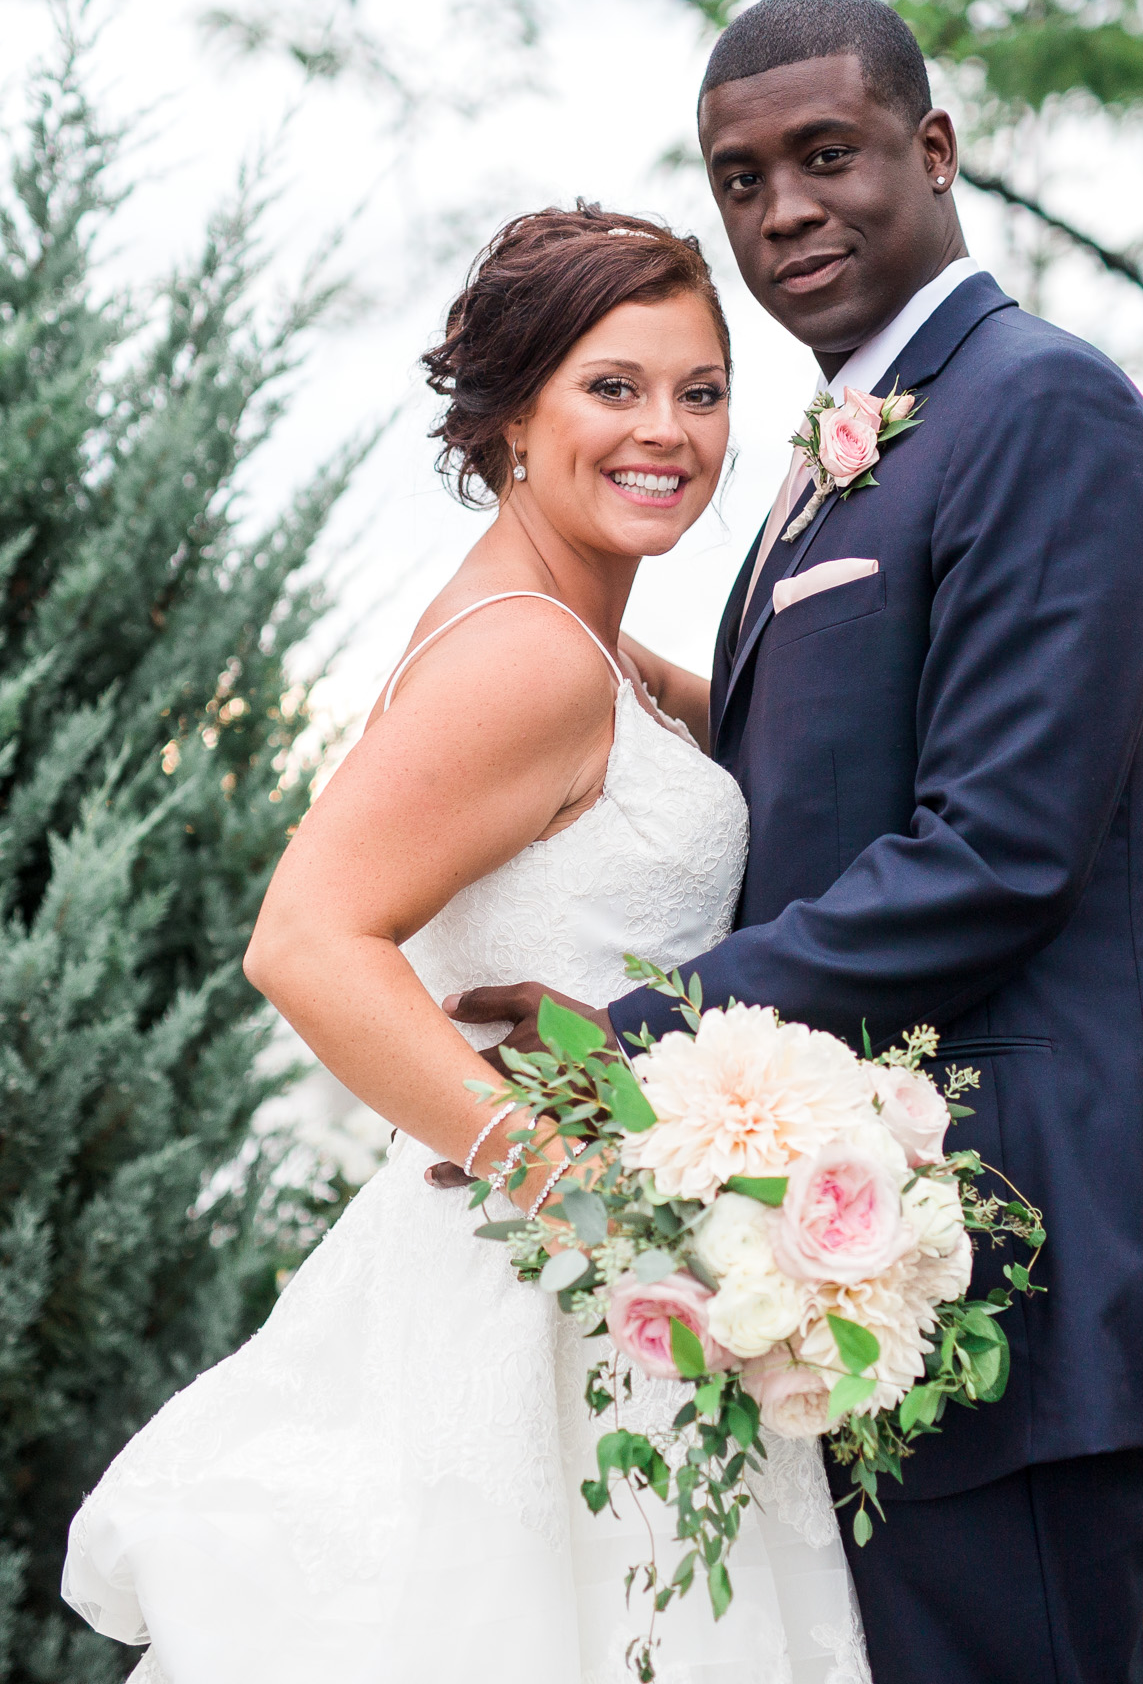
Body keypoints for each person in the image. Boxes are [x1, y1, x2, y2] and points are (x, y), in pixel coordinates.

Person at [443, 0, 1143, 1684]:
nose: (782, 210)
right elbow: (809, 770)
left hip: (1001, 1240)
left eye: (824, 157)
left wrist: (638, 1040)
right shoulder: (845, 454)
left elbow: (997, 851)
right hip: (840, 1236)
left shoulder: (1041, 410)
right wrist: (573, 675)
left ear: (930, 151)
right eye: (740, 179)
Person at [61, 204, 869, 1684]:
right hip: (543, 1291)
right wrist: (581, 1190)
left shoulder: (588, 646)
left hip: (581, 1279)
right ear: (507, 416)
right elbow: (304, 942)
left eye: (700, 390)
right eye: (610, 388)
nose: (668, 432)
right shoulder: (526, 657)